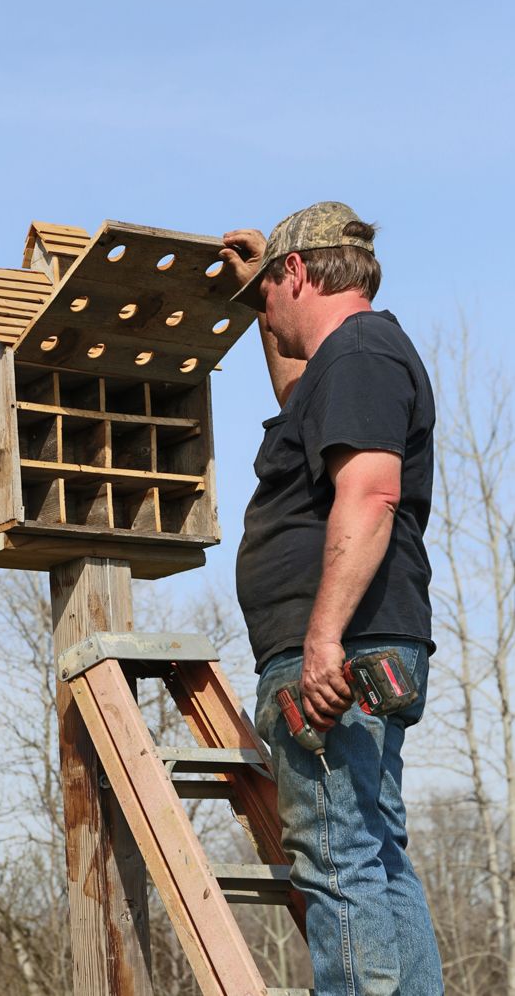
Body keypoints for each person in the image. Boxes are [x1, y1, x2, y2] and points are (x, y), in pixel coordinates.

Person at [220, 202, 443, 996]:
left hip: (337, 650)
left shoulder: (358, 353)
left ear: (298, 271)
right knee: (374, 853)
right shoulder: (347, 361)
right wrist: (255, 297)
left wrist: (322, 641)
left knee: (338, 860)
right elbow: (298, 388)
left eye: (271, 293)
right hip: (367, 641)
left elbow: (371, 492)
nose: (267, 313)